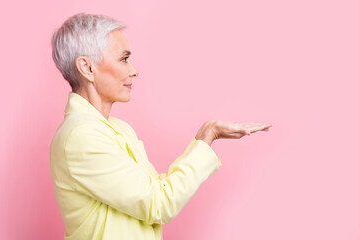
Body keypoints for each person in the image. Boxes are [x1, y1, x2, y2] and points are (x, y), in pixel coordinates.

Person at [50, 12, 272, 240]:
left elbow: (156, 190)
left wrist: (206, 136)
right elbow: (158, 204)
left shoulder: (118, 129)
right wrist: (209, 134)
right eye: (124, 59)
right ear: (87, 68)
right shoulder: (81, 135)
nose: (134, 70)